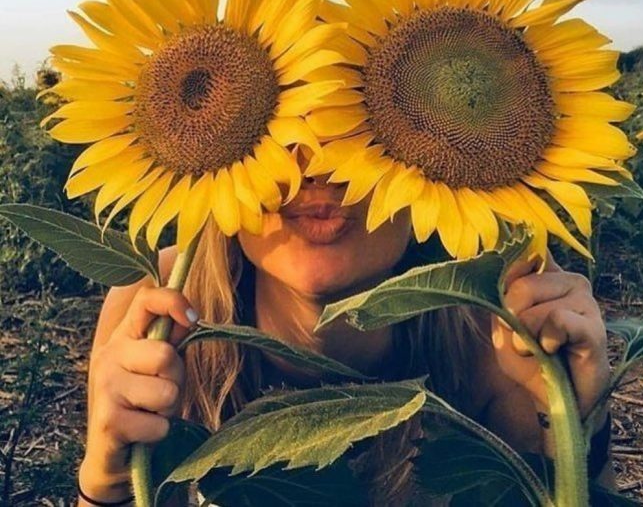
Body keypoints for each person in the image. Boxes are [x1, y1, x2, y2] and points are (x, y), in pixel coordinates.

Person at [77, 172, 615, 506]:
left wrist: (570, 428)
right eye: (278, 131)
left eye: (357, 133)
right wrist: (106, 481)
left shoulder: (494, 328)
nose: (316, 170)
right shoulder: (157, 305)